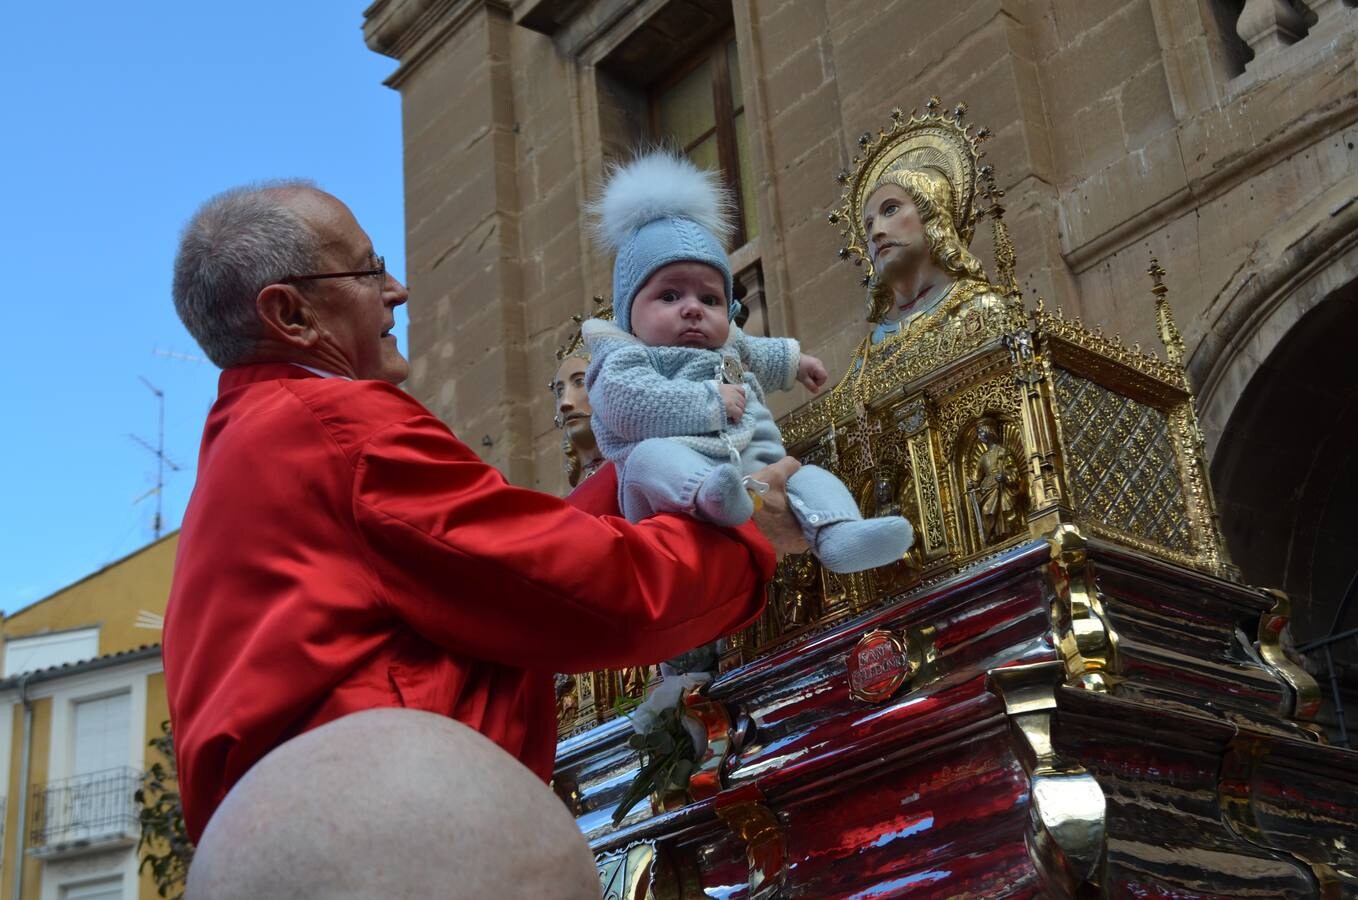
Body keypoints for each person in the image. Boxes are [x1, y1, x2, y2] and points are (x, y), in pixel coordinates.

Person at [163, 180, 806, 896]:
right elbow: (577, 589)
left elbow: (503, 550)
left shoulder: (255, 435)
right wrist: (749, 534)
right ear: (289, 313)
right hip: (386, 846)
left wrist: (637, 468)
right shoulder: (338, 429)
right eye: (368, 270)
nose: (397, 290)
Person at [582, 153, 914, 574]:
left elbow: (760, 353)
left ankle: (838, 533)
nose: (692, 309)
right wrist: (709, 402)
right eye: (669, 296)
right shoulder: (625, 356)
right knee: (650, 457)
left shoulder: (729, 346)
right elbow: (630, 406)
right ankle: (709, 494)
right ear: (629, 313)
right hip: (674, 481)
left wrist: (795, 362)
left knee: (806, 478)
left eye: (710, 299)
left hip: (754, 471)